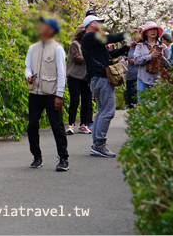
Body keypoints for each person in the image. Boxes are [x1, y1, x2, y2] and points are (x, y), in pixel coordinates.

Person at [80, 11, 132, 158]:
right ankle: (99, 145)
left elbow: (109, 55)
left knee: (102, 111)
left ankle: (97, 144)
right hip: (101, 78)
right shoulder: (90, 36)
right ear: (91, 24)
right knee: (108, 111)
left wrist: (127, 47)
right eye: (98, 21)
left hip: (97, 78)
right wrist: (127, 33)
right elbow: (111, 38)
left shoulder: (92, 41)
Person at [24, 16, 69, 172]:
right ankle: (36, 156)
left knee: (57, 126)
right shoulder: (32, 48)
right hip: (35, 93)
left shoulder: (57, 49)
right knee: (32, 126)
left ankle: (63, 158)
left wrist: (59, 95)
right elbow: (27, 67)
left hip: (51, 93)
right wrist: (28, 76)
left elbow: (62, 73)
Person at [64, 24, 93, 135]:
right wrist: (89, 56)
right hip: (74, 77)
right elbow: (77, 58)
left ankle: (83, 124)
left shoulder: (89, 45)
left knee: (86, 102)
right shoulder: (74, 45)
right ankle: (71, 124)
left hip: (86, 77)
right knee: (75, 101)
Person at [133, 21, 167, 102]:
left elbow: (169, 65)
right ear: (146, 33)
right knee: (142, 105)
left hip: (159, 80)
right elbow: (136, 61)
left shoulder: (163, 46)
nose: (153, 31)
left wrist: (162, 58)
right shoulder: (140, 46)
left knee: (158, 105)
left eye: (155, 29)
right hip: (143, 79)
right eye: (150, 29)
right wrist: (150, 56)